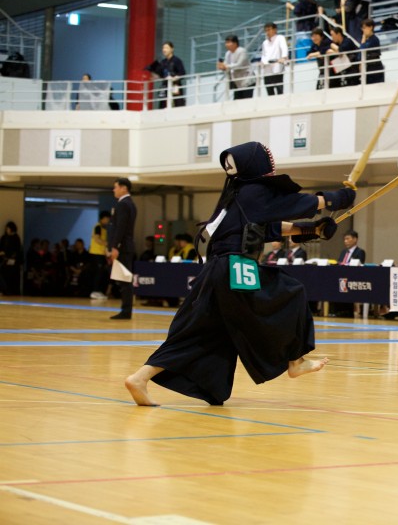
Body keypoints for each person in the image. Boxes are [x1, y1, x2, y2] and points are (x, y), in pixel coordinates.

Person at [124, 141, 354, 406]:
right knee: (291, 292)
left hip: (216, 270)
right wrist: (335, 199)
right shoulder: (255, 191)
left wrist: (310, 230)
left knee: (200, 333)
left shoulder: (237, 195)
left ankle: (139, 378)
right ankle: (296, 361)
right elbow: (293, 204)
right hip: (234, 268)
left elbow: (265, 228)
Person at [107, 178, 136, 320]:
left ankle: (126, 311)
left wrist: (115, 246)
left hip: (122, 247)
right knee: (124, 279)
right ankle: (126, 310)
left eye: (116, 187)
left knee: (125, 280)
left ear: (124, 188)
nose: (114, 190)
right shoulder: (129, 203)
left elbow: (121, 227)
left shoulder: (124, 204)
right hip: (125, 246)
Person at [332, 230, 365, 318]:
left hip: (352, 276)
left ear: (355, 239)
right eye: (344, 239)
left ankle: (347, 311)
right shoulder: (343, 252)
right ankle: (337, 310)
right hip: (341, 275)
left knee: (345, 285)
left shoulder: (360, 252)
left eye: (347, 239)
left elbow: (359, 265)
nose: (345, 241)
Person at [146, 41, 186, 108]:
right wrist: (155, 75)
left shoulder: (177, 60)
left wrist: (174, 78)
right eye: (163, 48)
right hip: (165, 85)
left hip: (175, 85)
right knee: (163, 105)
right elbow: (161, 74)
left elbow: (182, 73)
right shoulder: (163, 62)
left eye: (166, 48)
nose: (164, 50)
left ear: (172, 49)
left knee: (178, 104)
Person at [217, 35, 254, 100]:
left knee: (246, 101)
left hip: (247, 80)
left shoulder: (242, 51)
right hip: (237, 83)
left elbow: (239, 65)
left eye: (228, 42)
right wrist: (222, 67)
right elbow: (226, 66)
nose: (226, 45)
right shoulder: (227, 53)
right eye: (226, 43)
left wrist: (226, 66)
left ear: (235, 43)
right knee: (236, 101)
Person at [260, 22, 288, 95]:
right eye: (266, 30)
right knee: (269, 92)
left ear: (275, 30)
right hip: (267, 69)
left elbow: (284, 48)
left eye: (269, 30)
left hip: (277, 68)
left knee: (279, 91)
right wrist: (262, 62)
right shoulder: (264, 42)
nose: (267, 32)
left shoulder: (280, 38)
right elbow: (263, 55)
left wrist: (284, 57)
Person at [89, 210, 111, 300]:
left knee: (101, 273)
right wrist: (107, 244)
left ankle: (98, 291)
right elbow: (97, 239)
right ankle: (95, 291)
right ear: (103, 218)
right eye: (107, 219)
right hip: (96, 253)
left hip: (101, 254)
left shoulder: (103, 229)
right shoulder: (97, 227)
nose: (108, 221)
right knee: (98, 273)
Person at [0, 221, 23, 295]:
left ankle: (12, 291)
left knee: (13, 278)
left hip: (13, 262)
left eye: (8, 229)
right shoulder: (4, 237)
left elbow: (17, 250)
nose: (7, 230)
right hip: (5, 261)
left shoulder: (16, 238)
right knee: (5, 276)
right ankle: (5, 291)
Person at [359, 19, 385, 84]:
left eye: (364, 28)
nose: (363, 30)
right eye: (362, 28)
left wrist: (363, 39)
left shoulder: (374, 39)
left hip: (375, 68)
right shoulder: (367, 40)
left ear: (371, 27)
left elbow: (362, 50)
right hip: (369, 68)